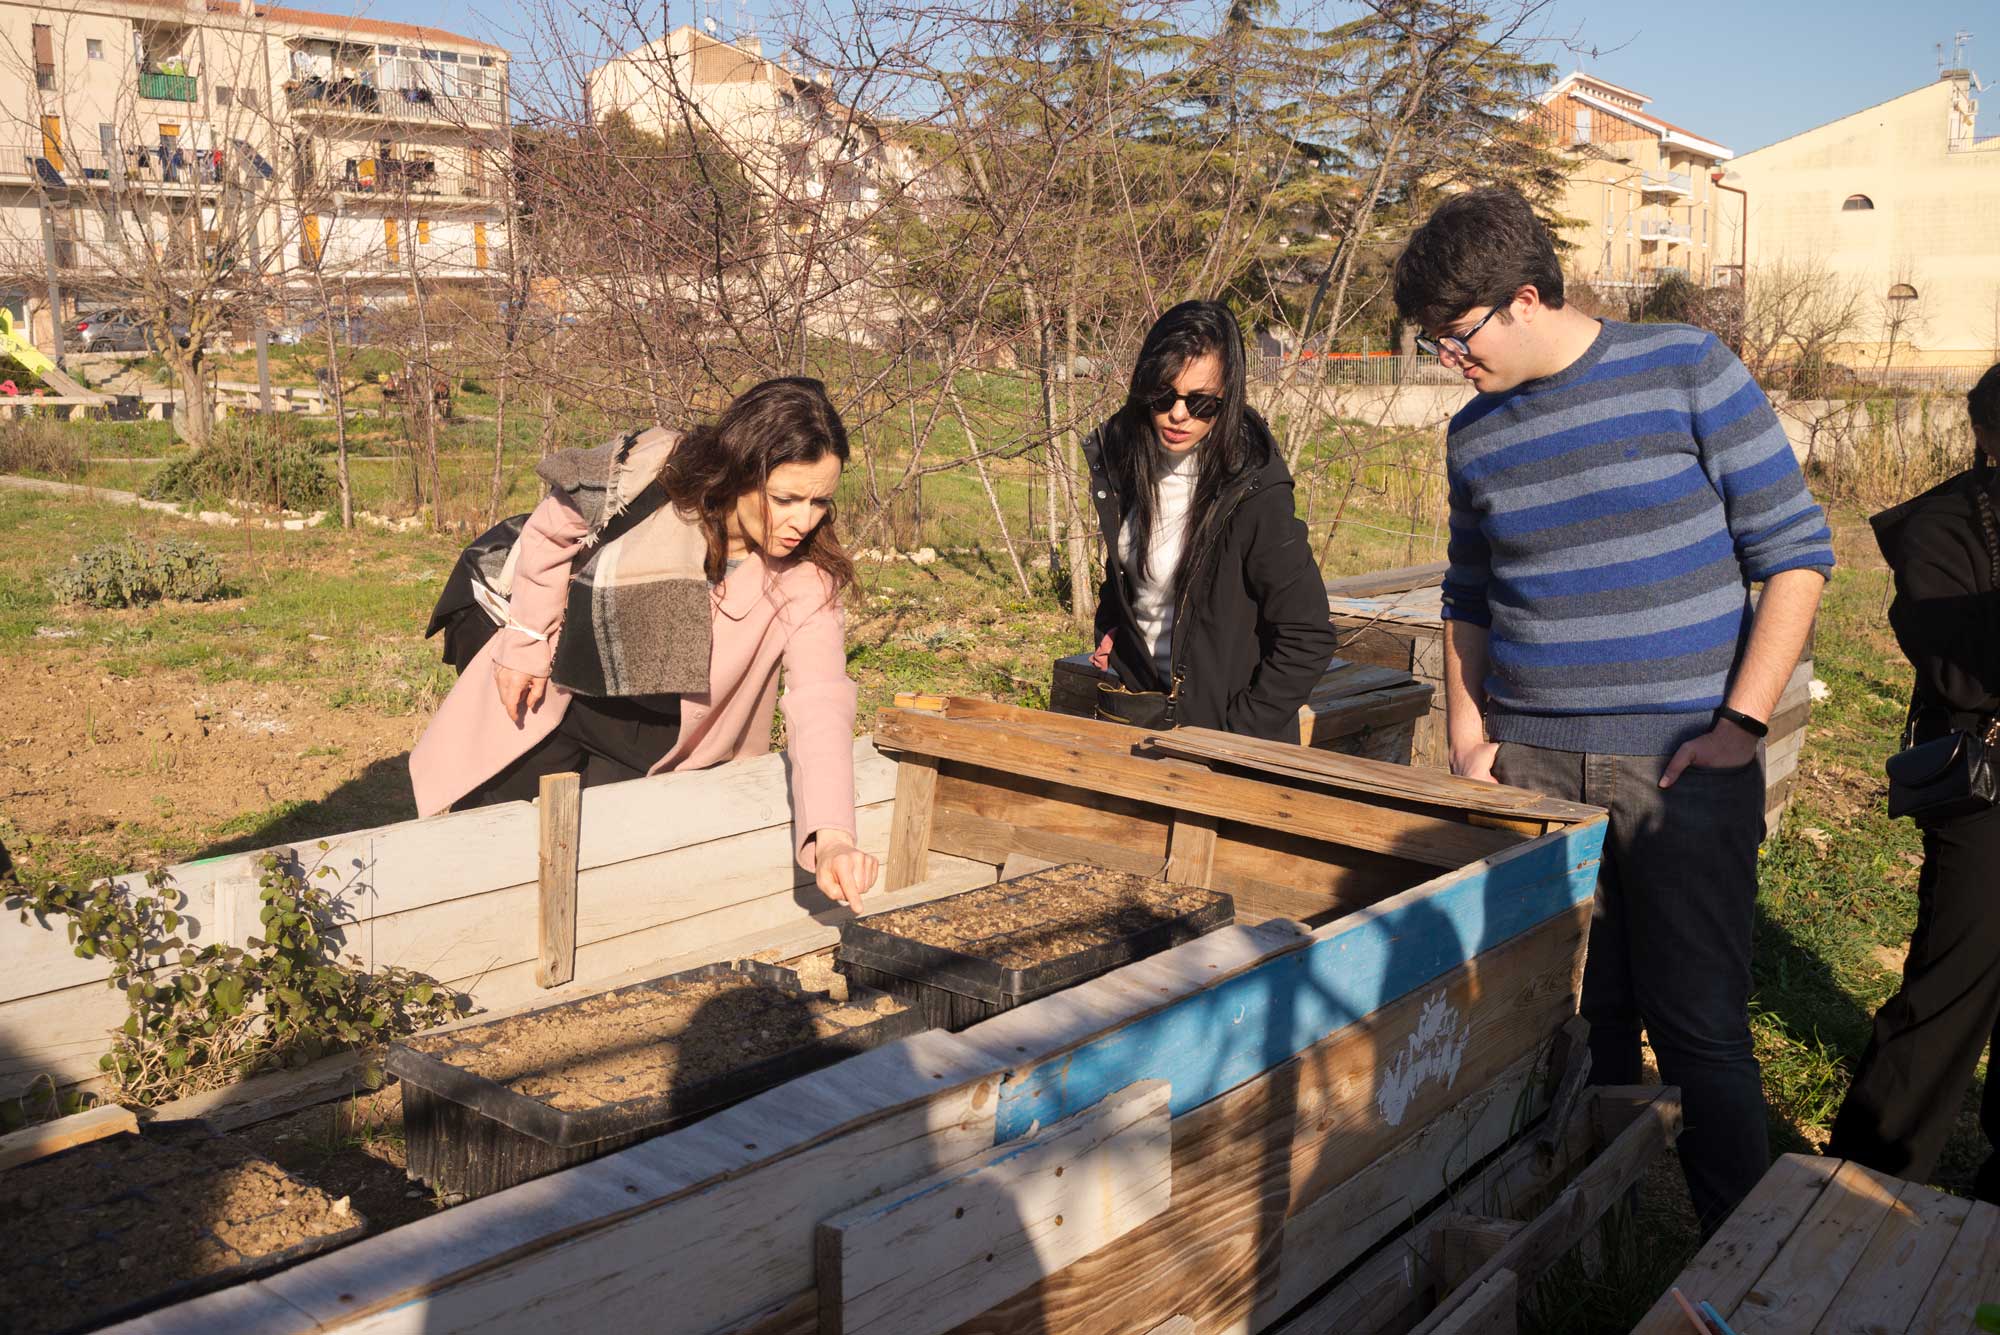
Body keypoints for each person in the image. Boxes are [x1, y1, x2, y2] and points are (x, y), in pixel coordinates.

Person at [1392, 187, 1834, 1233]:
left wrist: (1741, 725)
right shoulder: (1474, 436)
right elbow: (1466, 595)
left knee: (1700, 1028)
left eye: (1454, 338)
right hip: (1535, 767)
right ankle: (1593, 1229)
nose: (1448, 362)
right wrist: (1467, 733)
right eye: (1430, 343)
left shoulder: (1685, 368)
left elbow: (1794, 556)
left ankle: (1742, 1251)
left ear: (1525, 297)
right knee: (1572, 1011)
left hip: (1681, 768)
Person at [409, 377, 879, 909]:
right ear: (741, 472)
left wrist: (835, 837)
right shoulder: (658, 468)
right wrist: (526, 644)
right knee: (491, 848)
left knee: (599, 886)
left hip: (656, 744)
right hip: (560, 693)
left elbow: (820, 702)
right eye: (785, 498)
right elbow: (549, 530)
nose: (803, 521)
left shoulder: (807, 580)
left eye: (820, 501)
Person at [1828, 363, 2000, 1199]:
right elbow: (1961, 677)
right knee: (1955, 980)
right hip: (1987, 782)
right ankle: (1867, 1180)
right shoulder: (1939, 527)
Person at [1082, 299, 1338, 739]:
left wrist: (1236, 732)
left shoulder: (1254, 490)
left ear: (1229, 398)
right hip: (1136, 715)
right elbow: (1124, 576)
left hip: (1222, 743)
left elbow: (1307, 636)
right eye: (1164, 396)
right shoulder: (1124, 457)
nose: (1179, 414)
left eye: (1201, 403)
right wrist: (1111, 628)